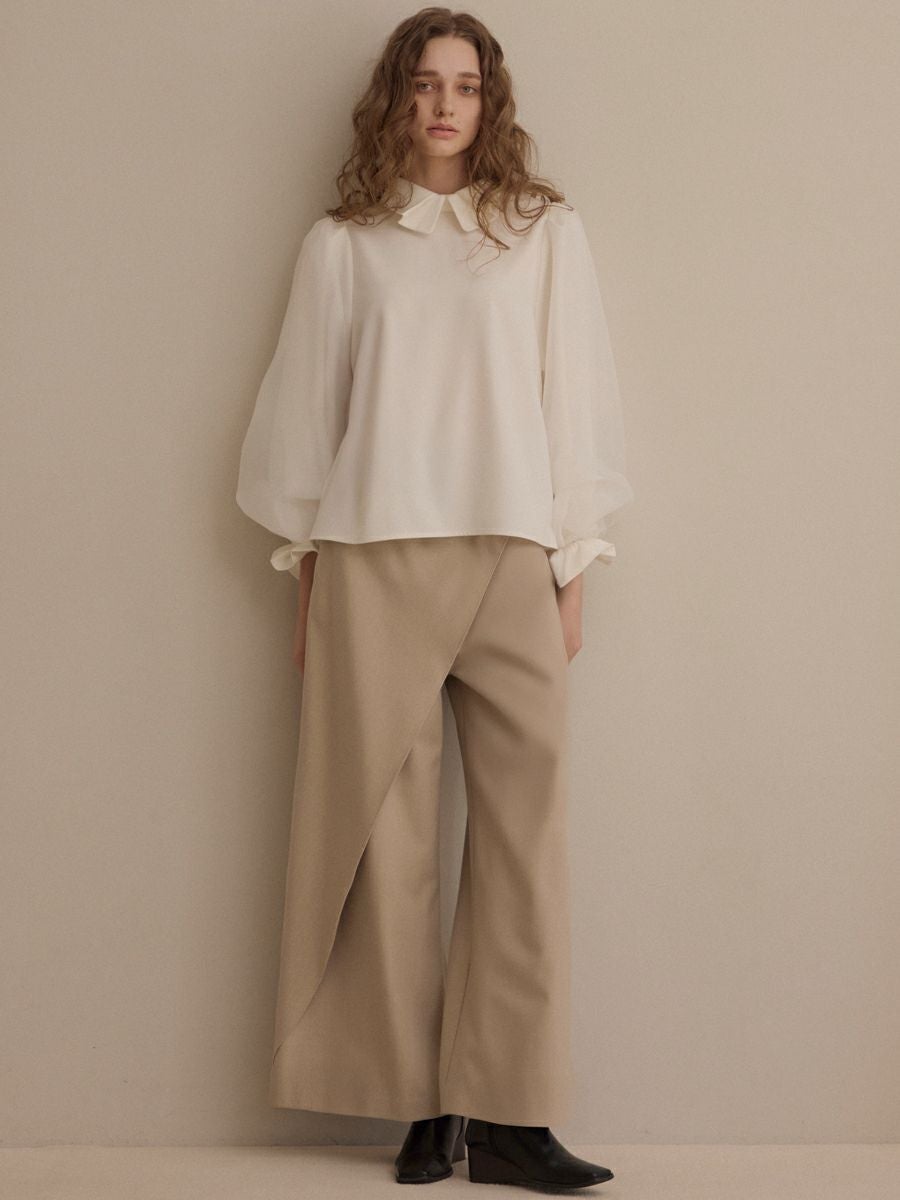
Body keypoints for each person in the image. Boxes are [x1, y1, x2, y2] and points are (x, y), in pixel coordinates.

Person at [236, 7, 633, 1191]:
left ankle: (509, 1115)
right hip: (371, 556)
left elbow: (576, 400)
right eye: (424, 84)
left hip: (513, 553)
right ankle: (419, 1106)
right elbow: (307, 420)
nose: (444, 104)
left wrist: (574, 562)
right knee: (387, 842)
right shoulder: (344, 245)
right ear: (396, 101)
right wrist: (306, 580)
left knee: (524, 837)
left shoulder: (543, 233)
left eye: (464, 84)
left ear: (489, 100)